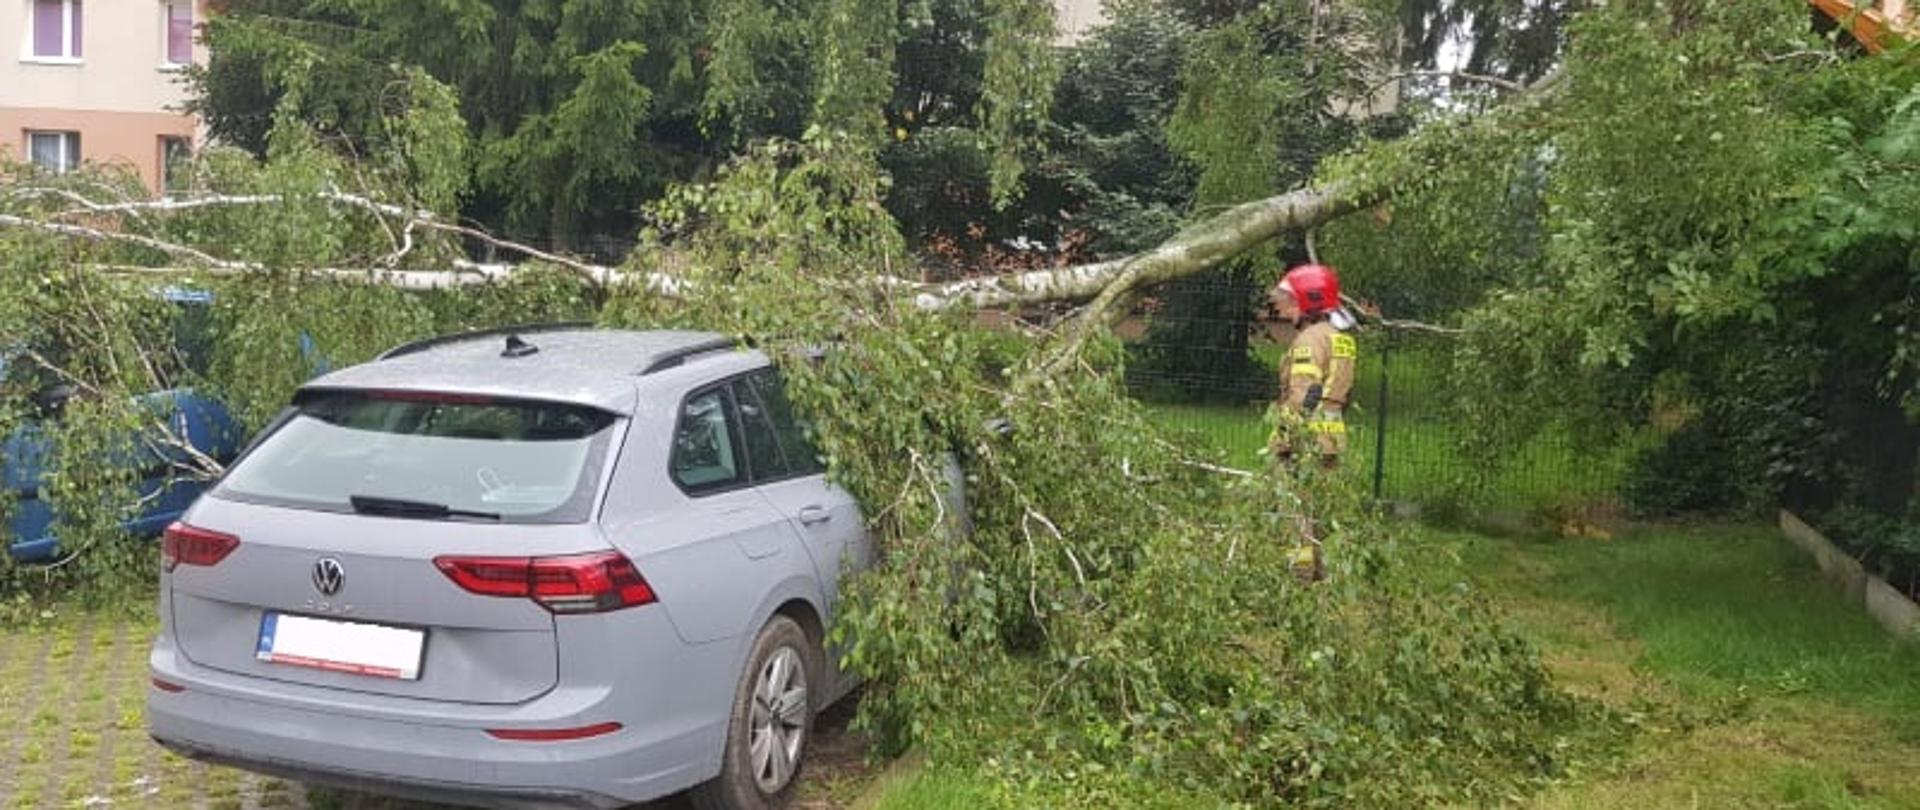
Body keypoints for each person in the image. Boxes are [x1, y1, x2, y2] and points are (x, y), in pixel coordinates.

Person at [1262, 263, 1357, 582]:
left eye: (1290, 300)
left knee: (1295, 510)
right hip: (1331, 434)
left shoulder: (1309, 340)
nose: (1283, 307)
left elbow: (1305, 394)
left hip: (1305, 438)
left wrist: (1284, 438)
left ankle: (1299, 576)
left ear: (1309, 300)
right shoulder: (1340, 337)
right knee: (1320, 510)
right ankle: (1322, 574)